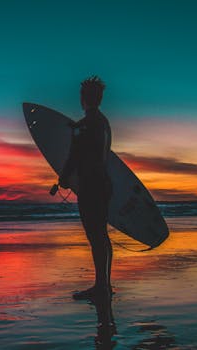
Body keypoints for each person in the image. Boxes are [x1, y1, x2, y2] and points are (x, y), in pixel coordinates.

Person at [59, 76, 113, 301]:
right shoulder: (103, 122)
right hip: (104, 182)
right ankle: (104, 284)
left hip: (90, 184)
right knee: (102, 235)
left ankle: (101, 287)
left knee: (96, 236)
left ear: (84, 98)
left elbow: (75, 155)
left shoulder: (84, 125)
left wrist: (63, 177)